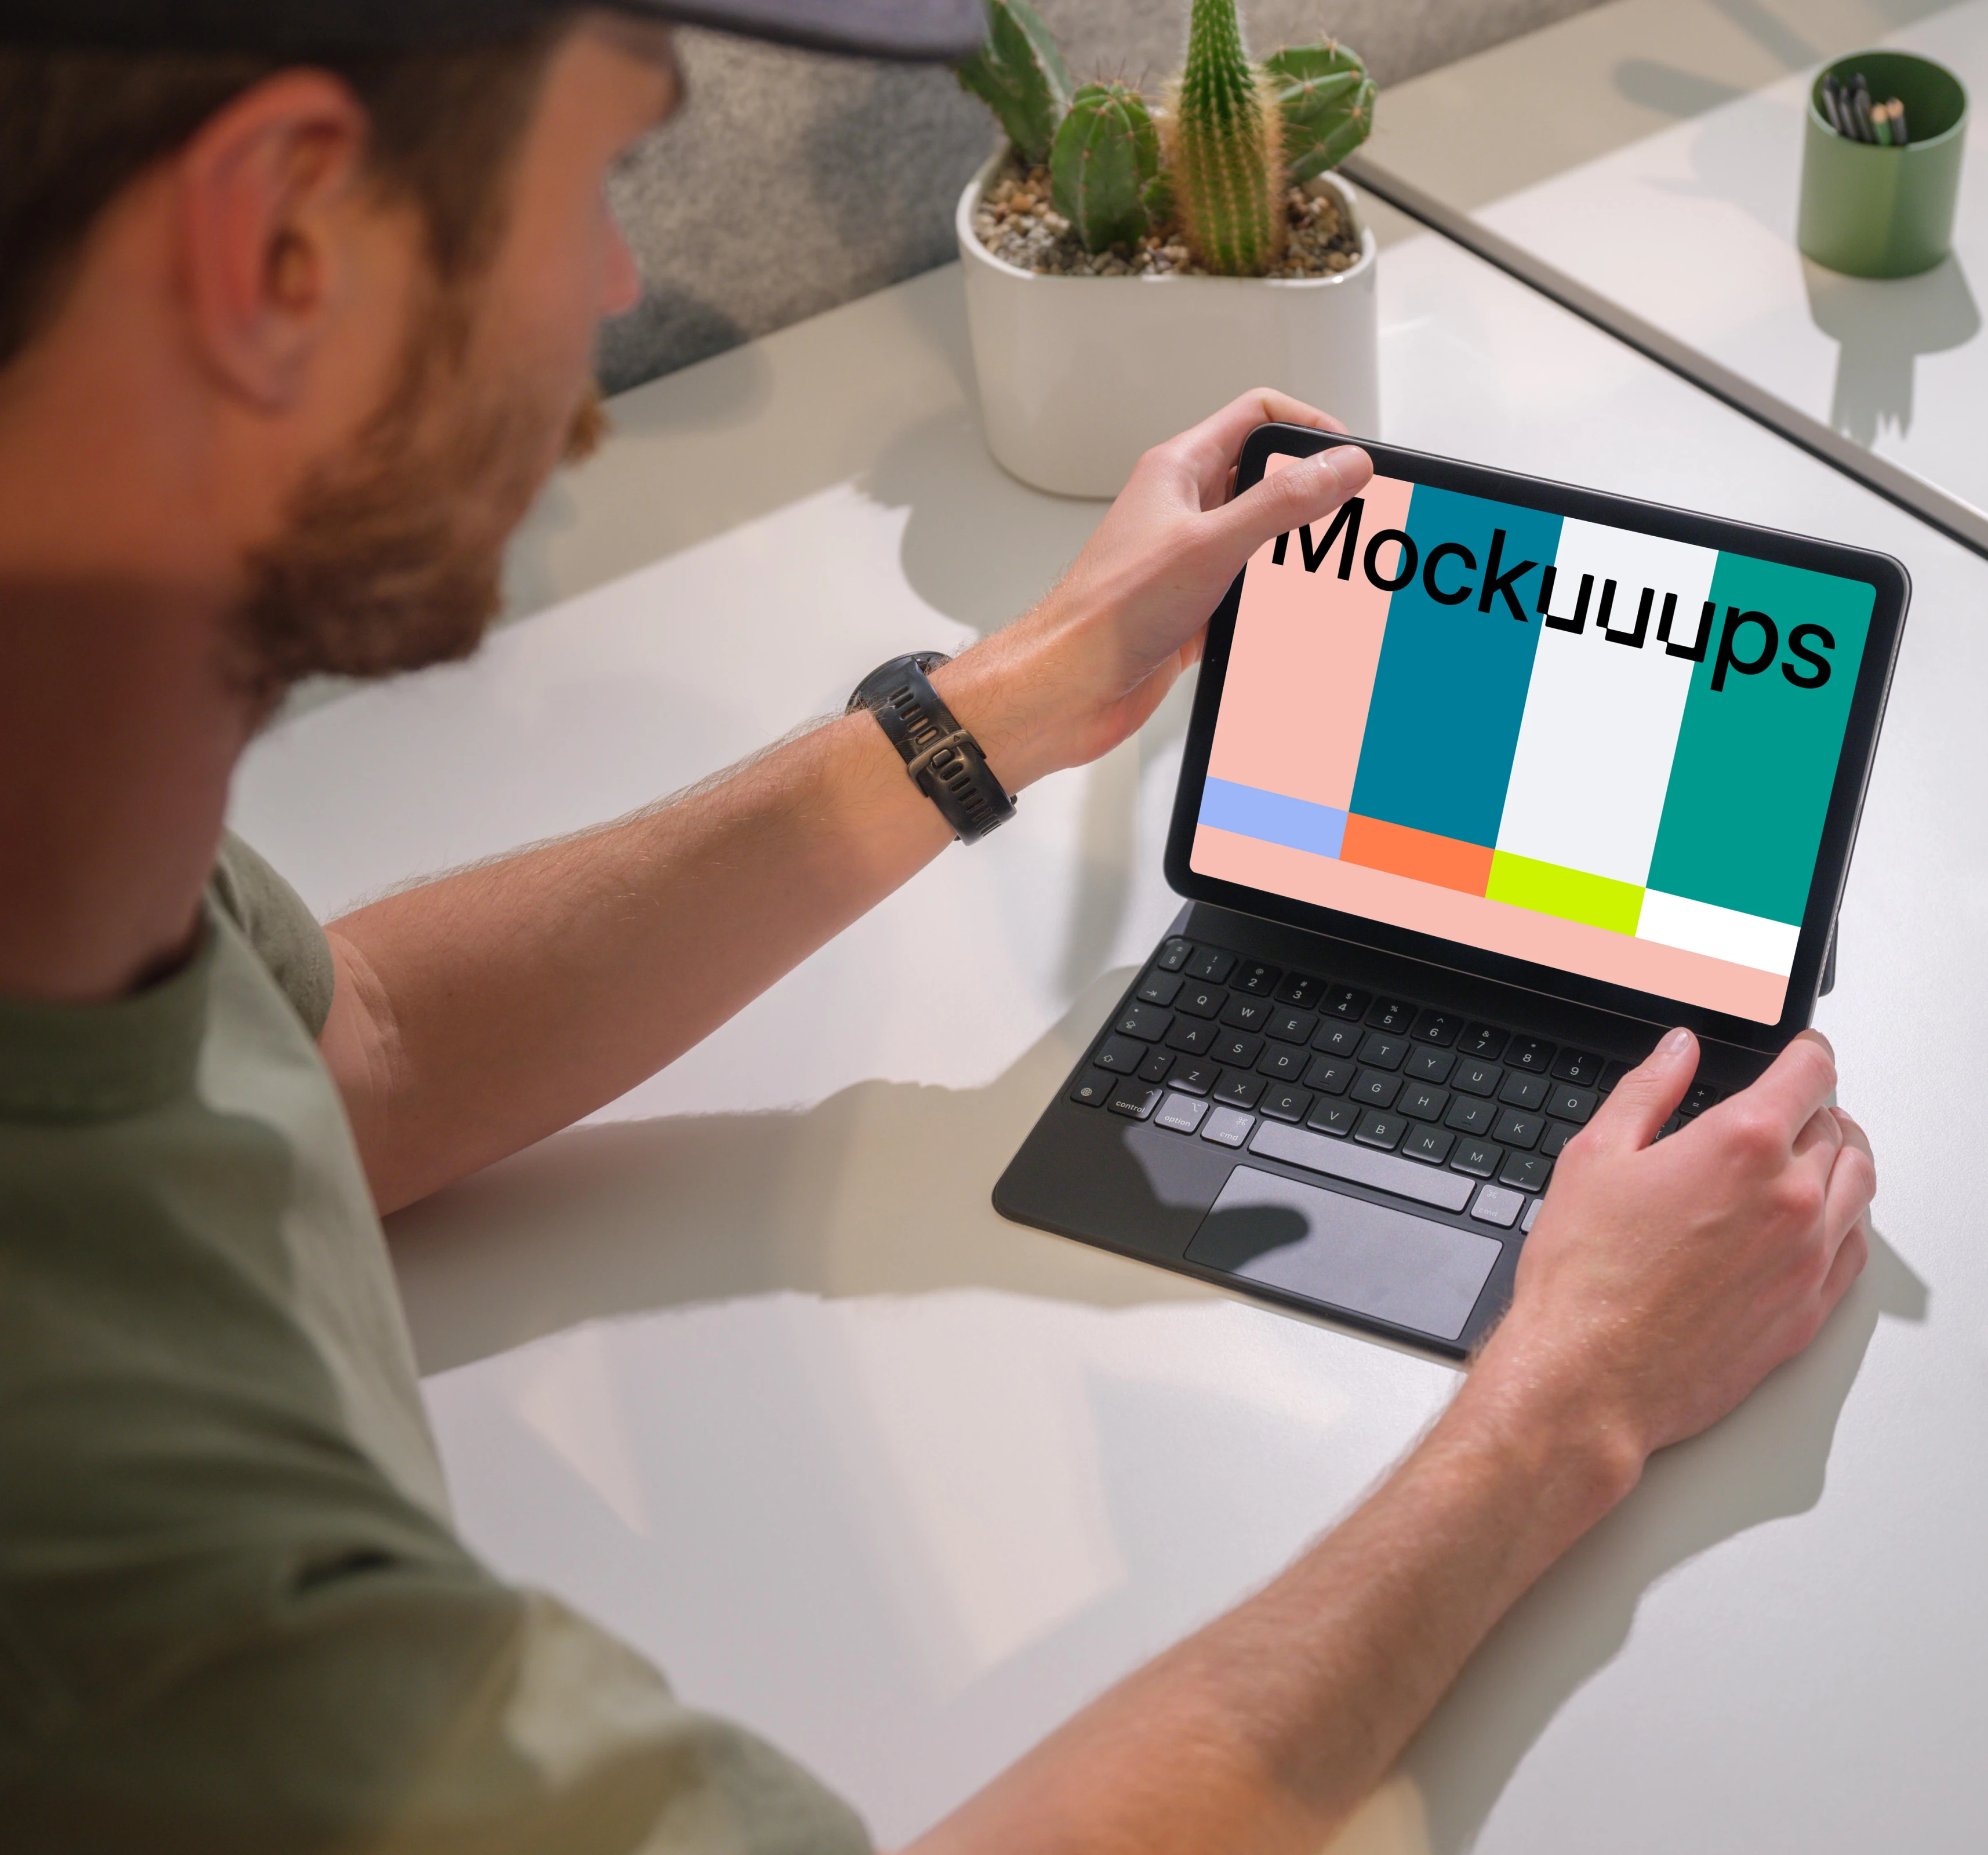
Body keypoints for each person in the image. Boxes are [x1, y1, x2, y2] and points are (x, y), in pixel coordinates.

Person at [0, 2, 1878, 1849]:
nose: (613, 280)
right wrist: (1571, 1404)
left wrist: (1003, 704)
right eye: (597, 170)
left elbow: (364, 1048)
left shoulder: (73, 863)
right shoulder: (164, 1614)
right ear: (281, 245)